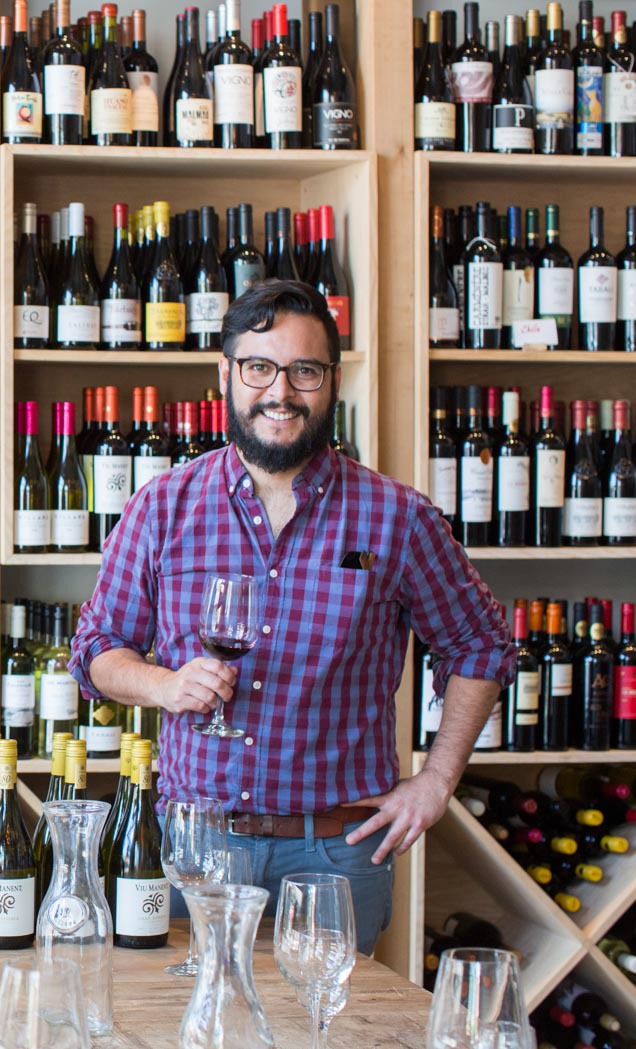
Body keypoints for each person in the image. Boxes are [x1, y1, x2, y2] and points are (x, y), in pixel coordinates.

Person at [69, 280, 514, 953]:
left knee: (326, 1011)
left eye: (305, 370)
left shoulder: (397, 517)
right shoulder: (163, 507)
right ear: (226, 374)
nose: (281, 391)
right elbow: (96, 651)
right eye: (259, 367)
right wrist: (164, 684)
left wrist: (438, 781)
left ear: (332, 381)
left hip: (337, 854)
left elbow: (482, 645)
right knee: (195, 1013)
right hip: (198, 847)